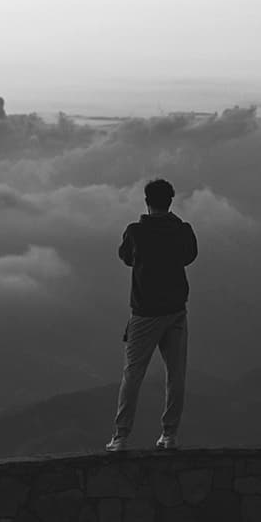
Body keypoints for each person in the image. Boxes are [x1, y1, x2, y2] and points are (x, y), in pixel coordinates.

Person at [104, 178, 197, 451]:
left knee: (133, 373)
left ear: (146, 201)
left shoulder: (136, 232)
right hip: (176, 311)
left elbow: (126, 258)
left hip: (145, 312)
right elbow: (189, 256)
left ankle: (121, 437)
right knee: (176, 374)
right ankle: (169, 435)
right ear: (170, 202)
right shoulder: (182, 231)